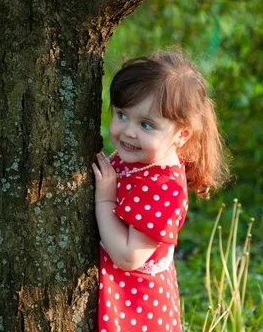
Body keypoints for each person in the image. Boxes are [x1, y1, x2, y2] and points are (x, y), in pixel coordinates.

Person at [92, 51, 228, 332]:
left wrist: (105, 197)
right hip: (122, 297)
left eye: (146, 124)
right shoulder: (140, 158)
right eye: (122, 114)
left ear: (181, 135)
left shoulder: (164, 189)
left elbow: (129, 256)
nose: (128, 132)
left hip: (137, 310)